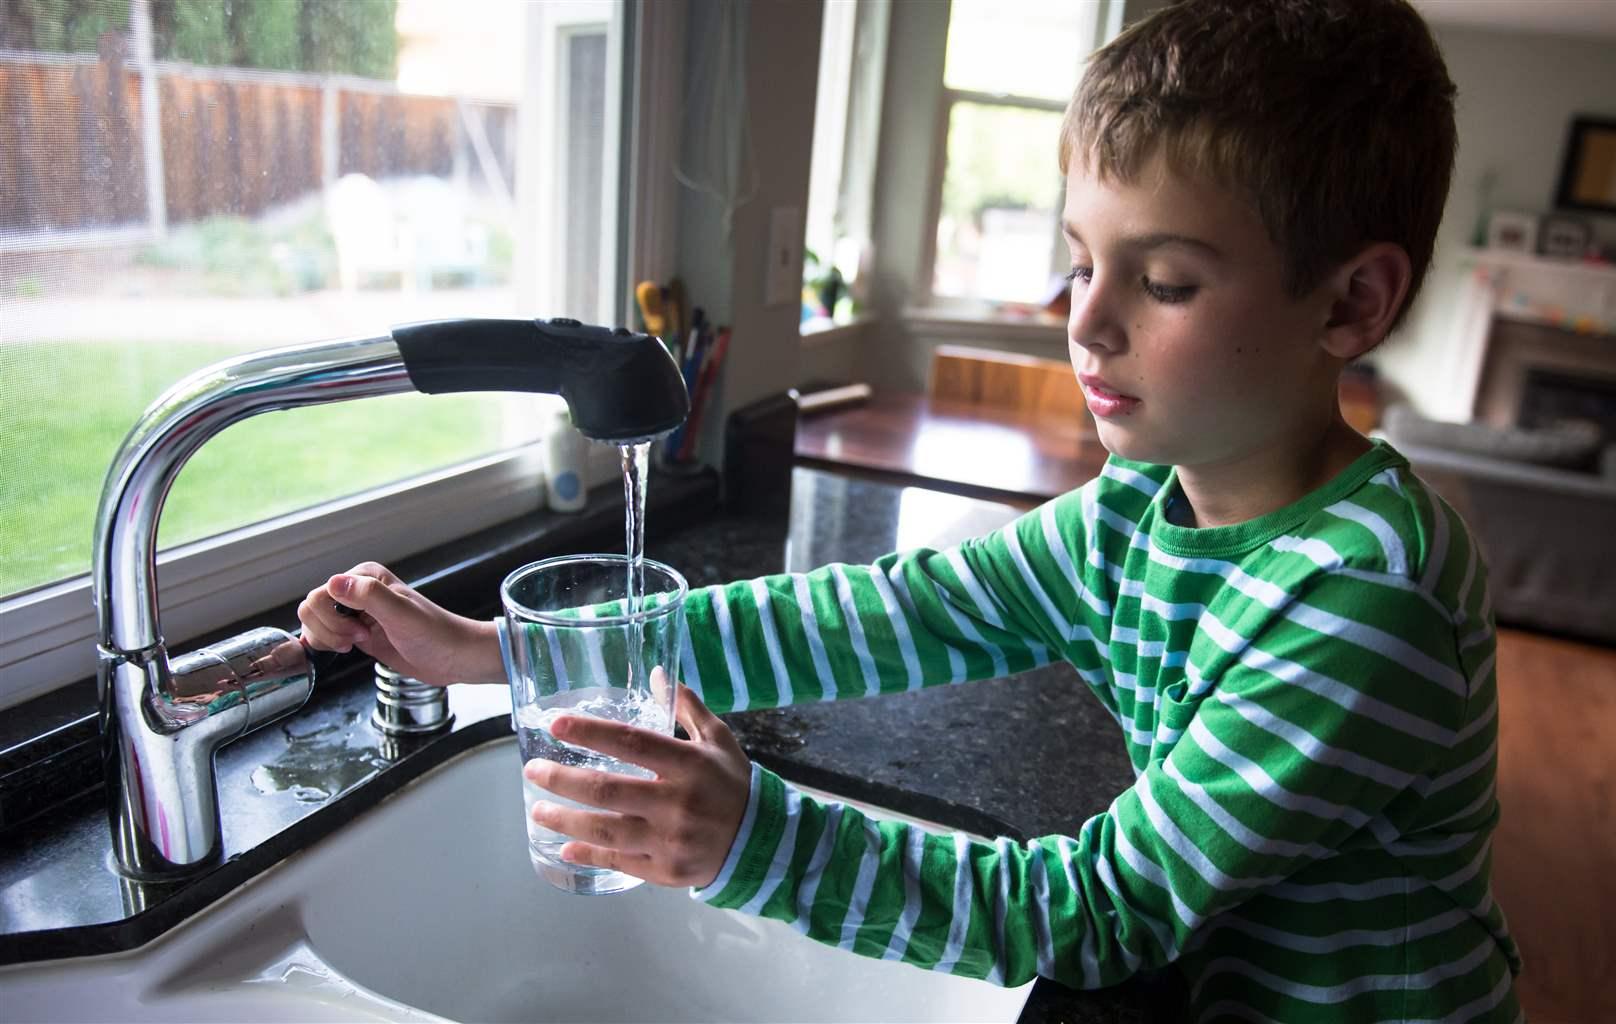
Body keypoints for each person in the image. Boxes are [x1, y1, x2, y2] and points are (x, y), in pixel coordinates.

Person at [299, 0, 1522, 1018]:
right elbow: (888, 615)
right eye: (1082, 261)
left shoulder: (1366, 590)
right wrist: (489, 653)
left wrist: (753, 845)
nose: (1085, 321)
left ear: (1350, 305)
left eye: (1163, 281)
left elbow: (1100, 909)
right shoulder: (1142, 506)